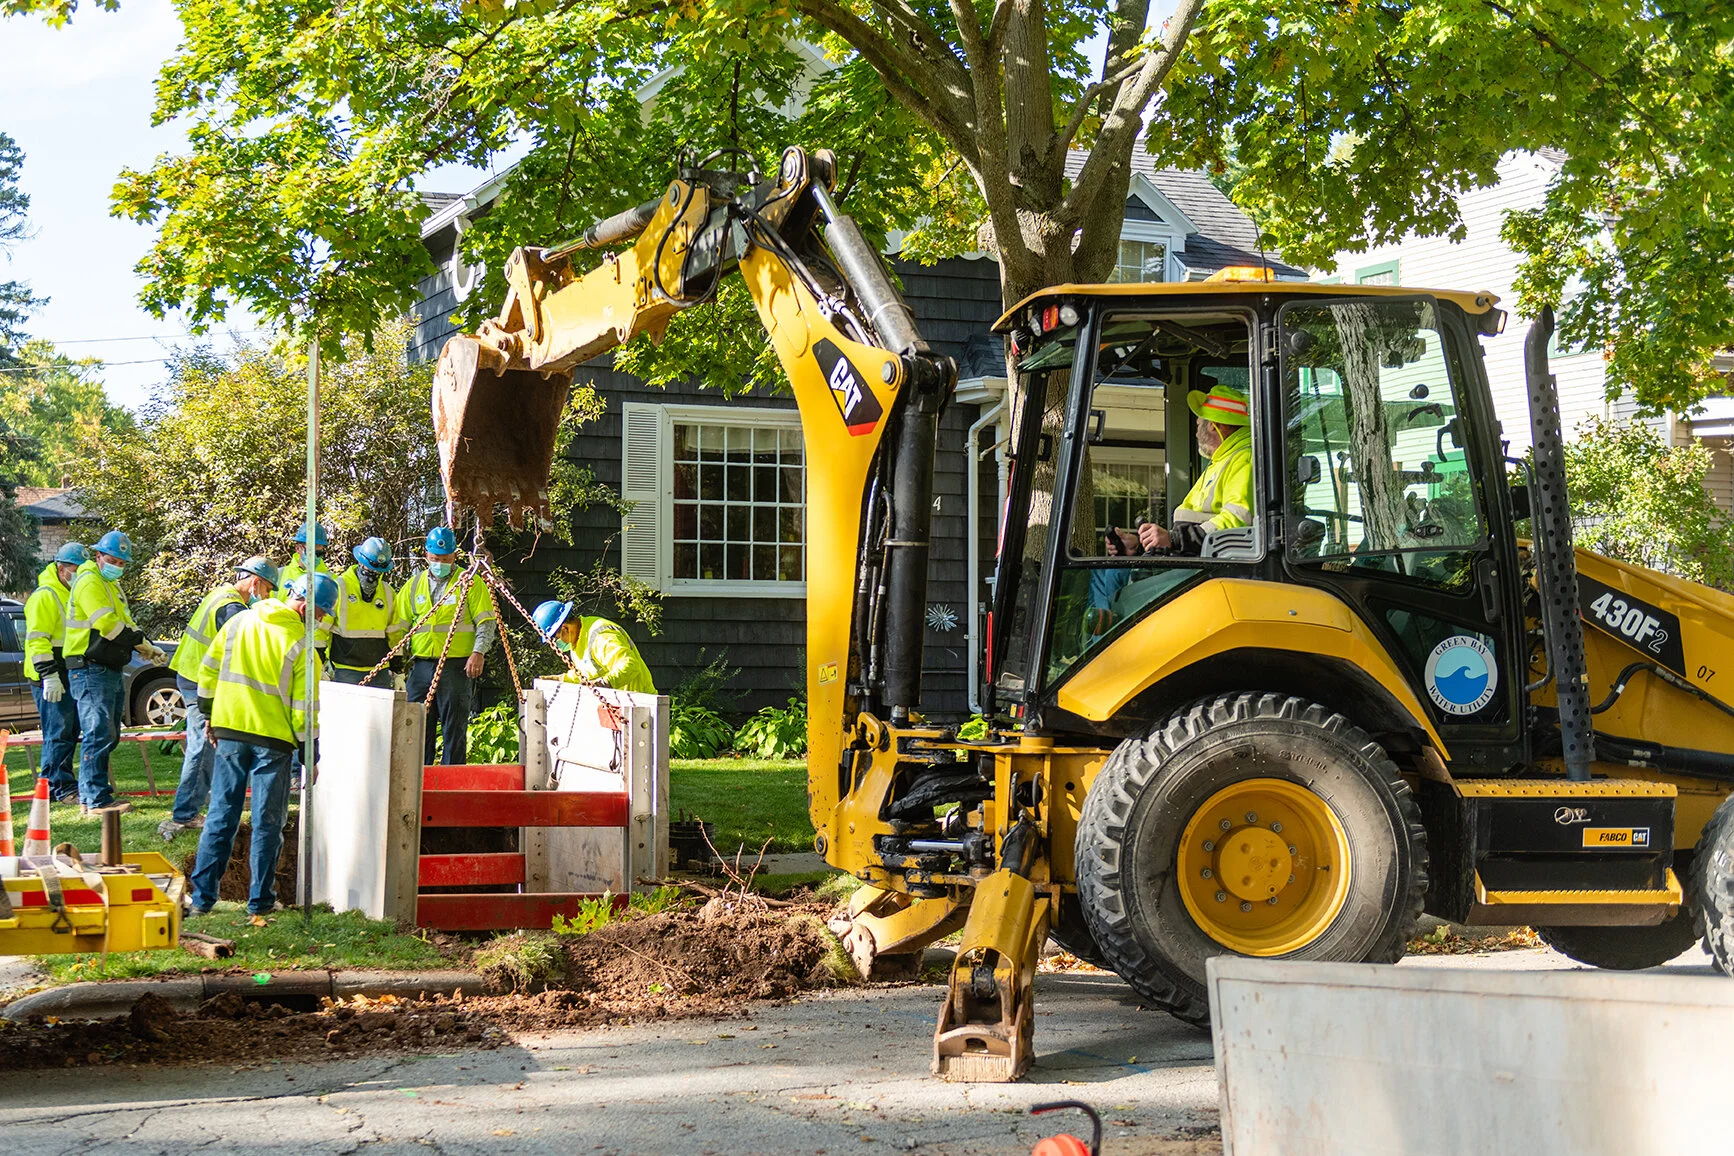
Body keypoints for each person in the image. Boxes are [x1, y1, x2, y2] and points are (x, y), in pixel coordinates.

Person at [186, 572, 337, 917]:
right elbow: (305, 711)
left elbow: (207, 672)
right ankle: (261, 902)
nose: (322, 622)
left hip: (230, 734)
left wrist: (210, 714)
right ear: (306, 608)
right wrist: (309, 754)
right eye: (322, 614)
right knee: (267, 823)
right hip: (273, 742)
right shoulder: (301, 647)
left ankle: (202, 901)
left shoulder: (239, 622)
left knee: (221, 817)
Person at [1090, 381, 1256, 627]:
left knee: (1112, 587)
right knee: (1106, 572)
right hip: (1194, 562)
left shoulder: (1243, 459)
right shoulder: (1222, 462)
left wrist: (1173, 540)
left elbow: (1237, 522)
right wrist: (1140, 545)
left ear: (1214, 425)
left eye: (1199, 423)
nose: (1196, 429)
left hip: (1207, 570)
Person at [158, 556, 281, 842]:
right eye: (267, 590)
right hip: (199, 680)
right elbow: (243, 650)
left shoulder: (221, 594)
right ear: (255, 582)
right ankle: (185, 813)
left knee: (206, 746)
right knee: (202, 748)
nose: (266, 596)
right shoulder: (232, 608)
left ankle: (195, 806)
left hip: (193, 674)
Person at [64, 530, 165, 813]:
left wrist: (147, 648)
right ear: (98, 556)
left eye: (122, 563)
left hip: (105, 666)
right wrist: (141, 643)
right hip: (89, 666)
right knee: (98, 732)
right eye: (113, 560)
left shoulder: (109, 585)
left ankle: (95, 795)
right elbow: (108, 626)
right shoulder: (89, 582)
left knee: (107, 734)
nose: (118, 566)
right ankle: (95, 800)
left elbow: (125, 623)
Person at [397, 527, 498, 764]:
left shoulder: (469, 583)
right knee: (416, 726)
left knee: (453, 728)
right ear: (426, 555)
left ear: (454, 556)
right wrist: (397, 660)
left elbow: (486, 621)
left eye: (444, 559)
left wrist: (478, 652)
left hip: (456, 666)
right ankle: (417, 780)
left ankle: (452, 782)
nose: (439, 563)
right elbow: (400, 626)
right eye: (435, 559)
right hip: (421, 666)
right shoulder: (413, 585)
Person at [23, 542, 90, 803]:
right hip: (49, 675)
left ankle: (55, 786)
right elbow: (37, 640)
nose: (79, 574)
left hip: (66, 671)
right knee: (59, 733)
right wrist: (48, 675)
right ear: (61, 568)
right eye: (75, 569)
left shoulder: (69, 592)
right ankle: (59, 788)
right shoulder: (45, 595)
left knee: (67, 732)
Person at [532, 600, 656, 694]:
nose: (556, 643)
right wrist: (561, 679)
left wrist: (604, 684)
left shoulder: (601, 636)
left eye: (555, 638)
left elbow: (630, 666)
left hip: (640, 704)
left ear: (565, 628)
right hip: (619, 707)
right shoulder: (578, 640)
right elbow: (586, 673)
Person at [330, 536, 404, 687]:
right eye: (371, 567)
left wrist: (398, 671)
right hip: (345, 669)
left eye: (378, 569)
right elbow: (321, 630)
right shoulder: (339, 587)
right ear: (360, 562)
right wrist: (320, 664)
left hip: (379, 671)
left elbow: (395, 634)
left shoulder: (387, 593)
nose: (373, 573)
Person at [278, 522, 334, 651]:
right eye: (311, 551)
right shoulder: (280, 576)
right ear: (298, 548)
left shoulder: (332, 581)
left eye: (319, 553)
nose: (315, 557)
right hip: (283, 646)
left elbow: (335, 624)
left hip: (316, 650)